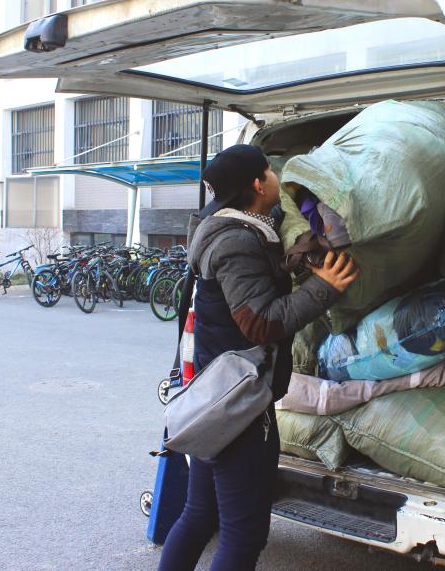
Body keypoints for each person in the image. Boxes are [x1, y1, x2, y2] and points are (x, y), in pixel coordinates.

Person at [158, 144, 358, 571]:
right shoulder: (237, 242)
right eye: (270, 171)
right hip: (240, 405)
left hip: (214, 394)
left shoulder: (223, 228)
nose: (274, 178)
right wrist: (324, 287)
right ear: (256, 184)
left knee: (200, 515)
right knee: (243, 535)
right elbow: (260, 321)